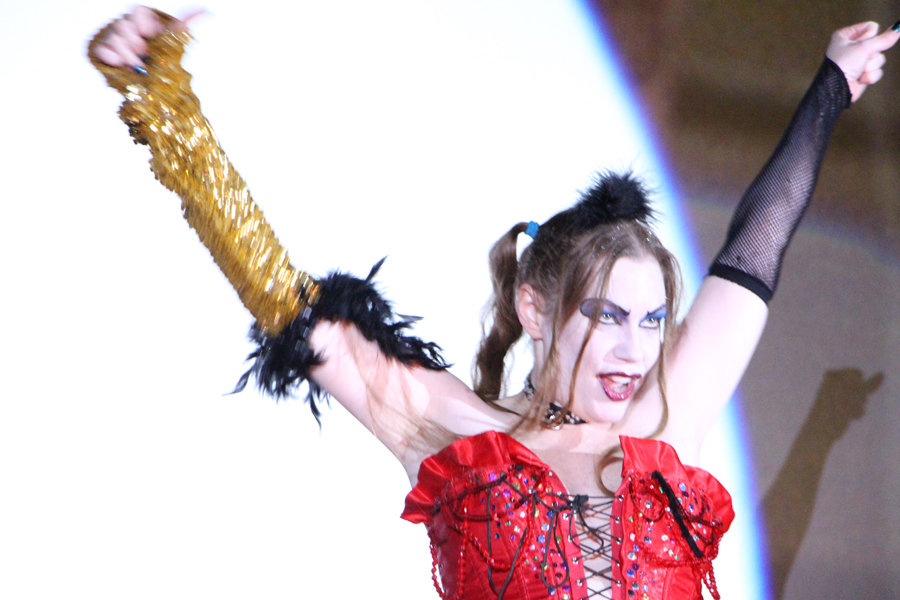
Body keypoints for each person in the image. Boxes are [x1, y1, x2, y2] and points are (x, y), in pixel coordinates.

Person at [89, 7, 900, 600]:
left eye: (653, 321)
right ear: (536, 309)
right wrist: (160, 97)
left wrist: (832, 85)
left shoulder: (664, 420)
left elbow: (754, 252)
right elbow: (283, 298)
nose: (634, 350)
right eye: (606, 316)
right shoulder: (455, 434)